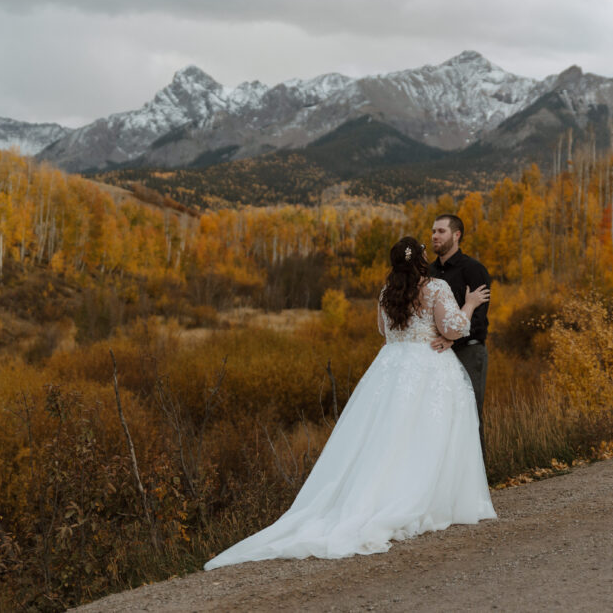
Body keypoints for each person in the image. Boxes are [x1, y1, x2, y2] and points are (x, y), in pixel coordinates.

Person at [204, 236, 496, 570]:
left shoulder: (387, 293)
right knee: (426, 435)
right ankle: (426, 497)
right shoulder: (436, 288)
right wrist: (470, 304)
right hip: (428, 365)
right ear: (422, 259)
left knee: (386, 438)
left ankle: (381, 495)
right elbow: (455, 328)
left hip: (391, 367)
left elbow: (383, 333)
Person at [428, 214, 492, 463]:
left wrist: (453, 340)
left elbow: (478, 319)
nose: (435, 236)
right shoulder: (429, 272)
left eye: (441, 231)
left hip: (469, 352)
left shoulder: (473, 269)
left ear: (456, 235)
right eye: (433, 231)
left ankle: (480, 481)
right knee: (440, 416)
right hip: (437, 353)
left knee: (469, 415)